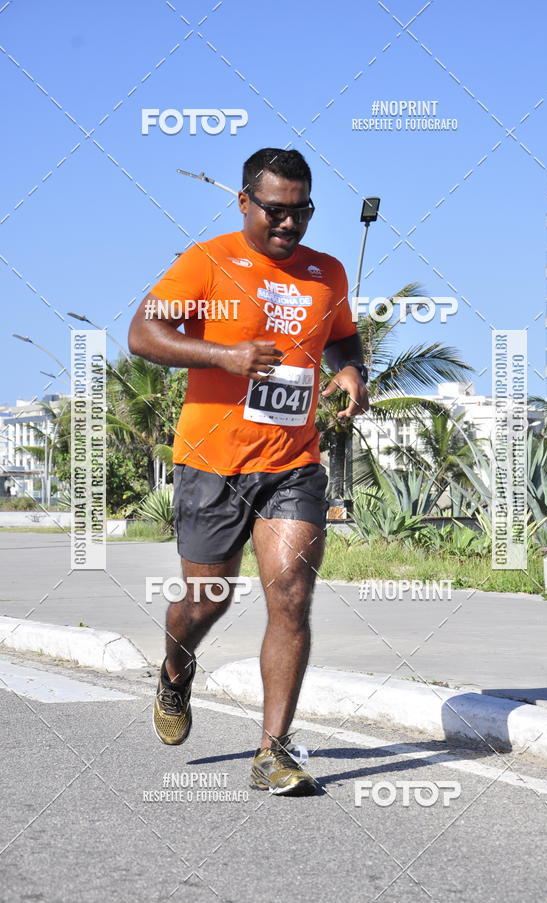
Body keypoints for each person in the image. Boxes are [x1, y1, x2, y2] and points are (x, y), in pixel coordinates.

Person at [128, 147, 369, 795]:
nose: (290, 225)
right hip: (212, 461)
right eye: (276, 212)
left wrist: (351, 369)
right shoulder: (207, 262)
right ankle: (176, 672)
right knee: (208, 598)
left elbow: (343, 334)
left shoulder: (328, 272)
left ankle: (274, 751)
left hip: (292, 464)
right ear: (244, 203)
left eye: (302, 212)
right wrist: (225, 356)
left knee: (290, 592)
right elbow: (142, 335)